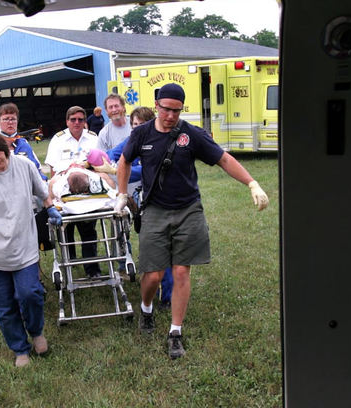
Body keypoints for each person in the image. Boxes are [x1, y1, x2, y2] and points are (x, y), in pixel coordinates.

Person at [116, 83, 269, 359]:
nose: (171, 115)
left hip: (188, 210)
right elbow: (124, 162)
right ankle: (147, 309)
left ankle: (175, 332)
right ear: (157, 104)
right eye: (165, 109)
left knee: (181, 271)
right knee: (152, 274)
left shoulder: (191, 134)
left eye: (177, 110)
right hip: (154, 211)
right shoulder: (141, 133)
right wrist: (121, 194)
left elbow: (223, 159)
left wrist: (252, 182)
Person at [0, 131, 61, 368]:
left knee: (30, 293)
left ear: (5, 148)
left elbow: (43, 193)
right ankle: (20, 349)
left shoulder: (23, 165)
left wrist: (50, 208)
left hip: (23, 247)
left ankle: (36, 332)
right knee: (4, 306)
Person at [101, 106, 173, 308]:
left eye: (142, 124)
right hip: (144, 202)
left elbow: (145, 171)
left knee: (163, 250)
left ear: (152, 124)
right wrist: (90, 161)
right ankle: (154, 284)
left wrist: (116, 170)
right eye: (134, 125)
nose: (137, 128)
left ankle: (166, 297)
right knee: (152, 248)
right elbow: (112, 154)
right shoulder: (134, 139)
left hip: (165, 203)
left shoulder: (161, 142)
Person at [44, 106, 102, 276]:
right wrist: (55, 195)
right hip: (64, 186)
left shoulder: (93, 138)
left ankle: (92, 269)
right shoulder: (58, 139)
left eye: (80, 119)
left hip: (87, 188)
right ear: (67, 121)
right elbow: (53, 169)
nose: (77, 123)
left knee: (88, 231)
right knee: (66, 230)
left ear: (85, 121)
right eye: (73, 119)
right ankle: (70, 262)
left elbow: (100, 163)